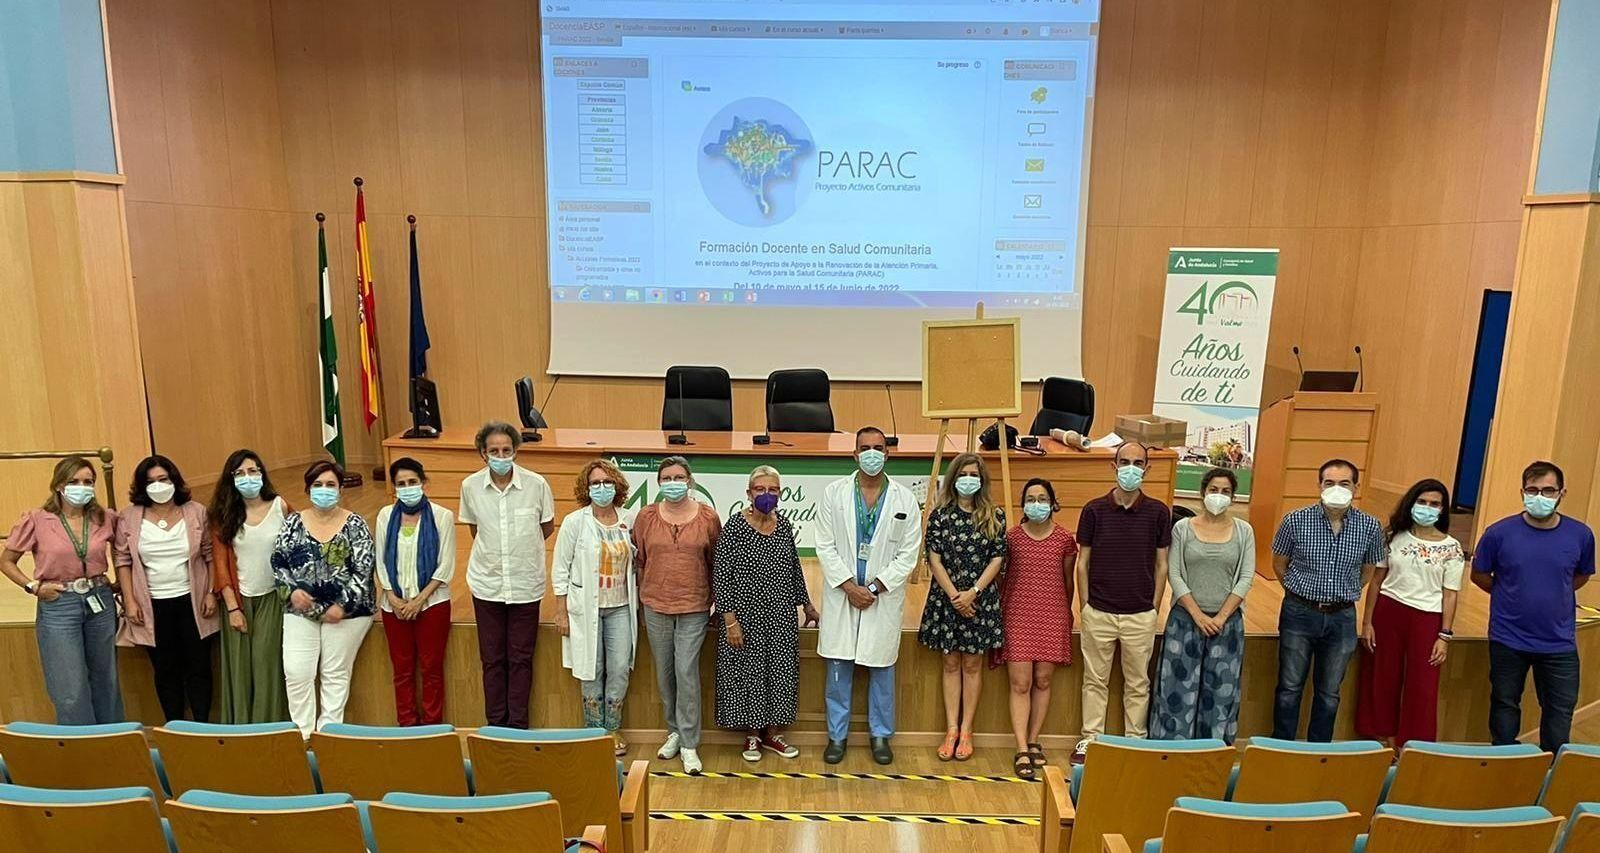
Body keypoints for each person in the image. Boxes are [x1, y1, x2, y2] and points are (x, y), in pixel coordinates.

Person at [814, 426, 923, 766]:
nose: (872, 453)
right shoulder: (833, 494)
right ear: (855, 454)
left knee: (881, 669)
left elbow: (909, 553)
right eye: (865, 448)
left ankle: (880, 736)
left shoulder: (905, 499)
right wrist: (849, 586)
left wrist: (875, 587)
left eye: (878, 447)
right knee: (838, 667)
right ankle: (837, 736)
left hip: (881, 597)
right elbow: (825, 545)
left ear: (887, 454)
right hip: (843, 594)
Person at [1472, 460, 1595, 753]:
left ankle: (1551, 770)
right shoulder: (1498, 533)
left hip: (1559, 642)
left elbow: (1581, 575)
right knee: (1504, 704)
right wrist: (1508, 594)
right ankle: (1503, 764)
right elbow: (1479, 574)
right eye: (1533, 490)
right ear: (1522, 492)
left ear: (1561, 493)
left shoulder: (1581, 535)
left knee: (1559, 710)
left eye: (1548, 490)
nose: (1540, 496)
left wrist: (1555, 592)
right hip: (1508, 638)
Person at [1, 456, 124, 724]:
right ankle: (80, 749)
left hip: (99, 600)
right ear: (59, 485)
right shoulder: (37, 519)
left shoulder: (104, 518)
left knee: (107, 677)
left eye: (88, 482)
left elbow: (123, 552)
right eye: (74, 481)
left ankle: (114, 744)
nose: (82, 487)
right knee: (69, 684)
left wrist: (118, 585)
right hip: (59, 603)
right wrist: (32, 587)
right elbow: (6, 561)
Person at [1270, 458, 1385, 742]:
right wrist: (1299, 591)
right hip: (1299, 612)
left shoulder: (1370, 527)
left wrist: (1342, 593)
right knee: (1289, 688)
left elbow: (1368, 571)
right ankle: (1281, 748)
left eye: (1344, 483)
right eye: (1329, 483)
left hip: (1341, 618)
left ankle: (1319, 752)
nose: (1337, 489)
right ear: (1319, 485)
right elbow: (1279, 564)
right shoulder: (1295, 520)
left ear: (1356, 487)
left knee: (1329, 693)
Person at [713, 466, 819, 763]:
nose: (766, 495)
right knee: (750, 673)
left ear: (781, 494)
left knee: (780, 672)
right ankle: (752, 734)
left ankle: (772, 733)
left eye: (773, 490)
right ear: (748, 493)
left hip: (780, 615)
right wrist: (730, 620)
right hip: (745, 617)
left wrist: (807, 604)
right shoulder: (734, 527)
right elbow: (721, 577)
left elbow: (793, 568)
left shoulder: (783, 525)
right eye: (760, 489)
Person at [1074, 440, 1170, 764]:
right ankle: (1090, 739)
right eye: (1125, 462)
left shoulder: (1159, 512)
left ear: (1147, 468)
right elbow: (1082, 562)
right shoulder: (1093, 511)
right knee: (1094, 681)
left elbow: (1162, 564)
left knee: (1138, 684)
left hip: (1140, 614)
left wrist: (1154, 607)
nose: (1131, 468)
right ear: (1113, 467)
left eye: (1138, 463)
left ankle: (1135, 743)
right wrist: (1085, 605)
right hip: (1098, 611)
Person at [458, 421, 556, 729]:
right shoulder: (470, 486)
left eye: (507, 450)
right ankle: (496, 726)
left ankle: (517, 727)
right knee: (492, 660)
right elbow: (476, 530)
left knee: (520, 658)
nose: (501, 455)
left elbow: (546, 528)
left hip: (526, 583)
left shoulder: (537, 485)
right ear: (483, 454)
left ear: (515, 451)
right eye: (493, 451)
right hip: (487, 585)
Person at [1356, 478, 1463, 751]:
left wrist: (1444, 635)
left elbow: (1450, 594)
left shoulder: (1452, 548)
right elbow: (1377, 581)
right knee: (1383, 674)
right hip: (1389, 611)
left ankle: (1414, 745)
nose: (1427, 508)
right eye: (1422, 502)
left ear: (1443, 509)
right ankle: (1383, 736)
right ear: (1412, 503)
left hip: (1428, 619)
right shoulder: (1392, 536)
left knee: (1423, 685)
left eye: (1434, 504)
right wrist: (1367, 622)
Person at [271, 460, 376, 737]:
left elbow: (363, 569)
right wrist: (292, 591)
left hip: (347, 613)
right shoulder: (293, 522)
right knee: (296, 672)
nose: (324, 490)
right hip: (300, 610)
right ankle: (303, 736)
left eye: (330, 485)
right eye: (318, 485)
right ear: (307, 489)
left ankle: (329, 734)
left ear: (341, 489)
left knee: (334, 674)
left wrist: (341, 605)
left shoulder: (356, 524)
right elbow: (278, 562)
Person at [1151, 468, 1254, 743]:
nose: (1218, 496)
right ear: (1202, 493)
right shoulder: (1182, 528)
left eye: (1225, 492)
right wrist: (1197, 615)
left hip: (1227, 624)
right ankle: (1172, 749)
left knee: (1220, 692)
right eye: (1213, 490)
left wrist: (1220, 617)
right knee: (1176, 689)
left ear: (1234, 497)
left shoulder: (1244, 531)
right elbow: (1175, 574)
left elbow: (1245, 578)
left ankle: (1213, 751)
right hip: (1185, 621)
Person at [632, 456, 721, 774]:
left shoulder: (708, 518)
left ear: (690, 481)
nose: (673, 483)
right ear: (658, 482)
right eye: (667, 478)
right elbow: (640, 559)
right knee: (665, 673)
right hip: (656, 605)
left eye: (679, 477)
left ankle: (689, 743)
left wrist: (717, 605)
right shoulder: (645, 517)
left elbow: (715, 562)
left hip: (694, 607)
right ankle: (673, 730)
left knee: (686, 672)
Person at [114, 455, 218, 722]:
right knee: (165, 669)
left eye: (163, 479)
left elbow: (210, 554)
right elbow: (123, 560)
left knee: (199, 667)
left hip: (192, 602)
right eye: (151, 482)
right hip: (153, 605)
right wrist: (130, 600)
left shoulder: (196, 511)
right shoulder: (129, 517)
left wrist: (210, 592)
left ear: (174, 481)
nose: (158, 486)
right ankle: (174, 726)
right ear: (141, 486)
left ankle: (202, 726)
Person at [918, 453, 1007, 763]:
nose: (969, 479)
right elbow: (934, 558)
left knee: (972, 665)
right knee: (950, 664)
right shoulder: (940, 516)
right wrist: (956, 595)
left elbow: (997, 558)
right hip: (947, 598)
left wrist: (973, 593)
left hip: (980, 600)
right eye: (963, 473)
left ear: (982, 480)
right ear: (953, 478)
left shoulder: (994, 515)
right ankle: (951, 729)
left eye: (974, 474)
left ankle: (967, 730)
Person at [553, 458, 638, 756]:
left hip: (620, 607)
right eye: (595, 483)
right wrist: (561, 610)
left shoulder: (630, 519)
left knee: (618, 669)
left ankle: (612, 728)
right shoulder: (576, 522)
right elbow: (560, 568)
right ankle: (593, 731)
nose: (601, 488)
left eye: (606, 482)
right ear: (586, 489)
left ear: (617, 486)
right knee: (591, 668)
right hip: (584, 609)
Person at [999, 478, 1077, 780]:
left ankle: (1034, 740)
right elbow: (1002, 578)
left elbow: (1068, 581)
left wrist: (1065, 614)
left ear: (1053, 503)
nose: (1036, 504)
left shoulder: (1064, 539)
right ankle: (1020, 747)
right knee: (1020, 683)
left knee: (1043, 680)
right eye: (1030, 499)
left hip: (1052, 614)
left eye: (1042, 498)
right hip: (1018, 613)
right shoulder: (1012, 537)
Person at [209, 449, 292, 722]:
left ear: (262, 474)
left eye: (253, 471)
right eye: (240, 473)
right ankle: (241, 729)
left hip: (272, 598)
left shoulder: (281, 506)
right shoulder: (223, 516)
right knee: (240, 670)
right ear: (231, 479)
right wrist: (233, 608)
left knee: (265, 665)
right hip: (239, 601)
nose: (248, 478)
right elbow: (220, 565)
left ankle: (267, 727)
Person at [375, 457, 456, 726]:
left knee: (431, 670)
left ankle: (433, 728)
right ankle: (407, 727)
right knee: (402, 671)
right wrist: (392, 597)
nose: (407, 487)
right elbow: (380, 561)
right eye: (401, 483)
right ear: (394, 487)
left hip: (432, 604)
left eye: (412, 482)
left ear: (423, 482)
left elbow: (445, 566)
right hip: (393, 606)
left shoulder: (442, 516)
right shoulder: (386, 516)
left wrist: (420, 600)